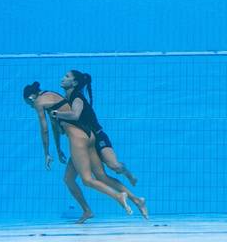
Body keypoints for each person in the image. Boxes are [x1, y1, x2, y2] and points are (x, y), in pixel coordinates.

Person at [22, 81, 133, 222]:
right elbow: (56, 127)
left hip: (78, 140)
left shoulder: (38, 102)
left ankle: (118, 196)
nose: (32, 107)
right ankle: (87, 211)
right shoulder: (53, 96)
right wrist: (58, 149)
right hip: (89, 135)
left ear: (31, 98)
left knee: (87, 180)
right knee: (72, 178)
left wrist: (47, 154)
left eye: (29, 104)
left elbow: (45, 130)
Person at [53, 70, 148, 221]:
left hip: (97, 136)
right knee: (88, 177)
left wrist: (56, 114)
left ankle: (128, 175)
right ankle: (136, 200)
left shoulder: (77, 97)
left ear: (75, 83)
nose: (62, 78)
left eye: (67, 77)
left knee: (114, 166)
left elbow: (76, 115)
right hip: (84, 140)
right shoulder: (66, 99)